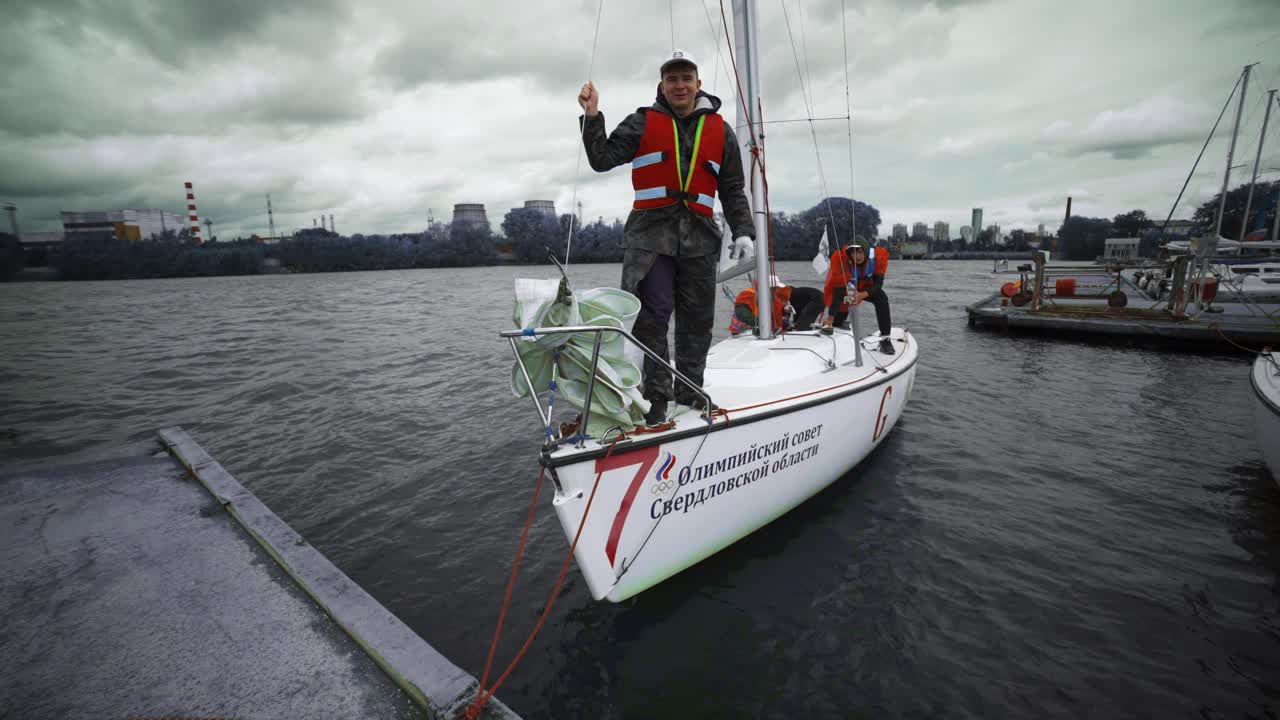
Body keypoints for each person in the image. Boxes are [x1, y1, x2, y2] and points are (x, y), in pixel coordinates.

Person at [578, 49, 756, 425]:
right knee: (652, 318)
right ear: (662, 85)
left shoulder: (720, 131)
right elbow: (601, 158)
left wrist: (744, 231)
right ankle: (656, 395)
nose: (680, 85)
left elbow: (734, 188)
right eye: (672, 79)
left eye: (686, 78)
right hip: (650, 238)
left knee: (697, 321)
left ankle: (690, 392)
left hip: (701, 240)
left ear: (698, 84)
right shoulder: (642, 123)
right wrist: (592, 116)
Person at [820, 237, 895, 355]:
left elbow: (878, 284)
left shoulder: (876, 258)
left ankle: (885, 339)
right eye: (853, 253)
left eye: (860, 252)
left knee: (881, 297)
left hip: (867, 287)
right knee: (837, 320)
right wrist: (830, 318)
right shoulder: (842, 261)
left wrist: (862, 295)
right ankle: (831, 323)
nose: (857, 256)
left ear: (865, 251)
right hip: (850, 286)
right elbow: (839, 291)